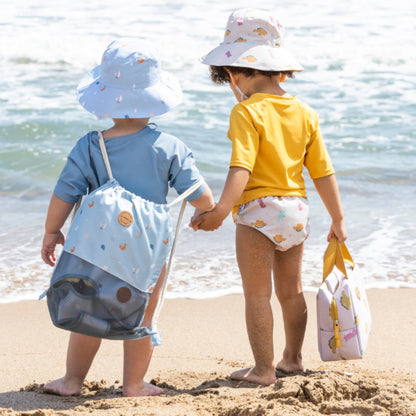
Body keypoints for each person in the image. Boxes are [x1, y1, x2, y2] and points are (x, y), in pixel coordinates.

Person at [41, 38, 215, 397]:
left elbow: (64, 193)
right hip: (146, 252)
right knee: (142, 316)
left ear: (105, 100)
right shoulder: (169, 147)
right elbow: (203, 197)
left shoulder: (91, 145)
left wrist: (51, 231)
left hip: (94, 251)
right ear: (154, 98)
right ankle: (134, 384)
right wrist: (202, 213)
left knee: (87, 312)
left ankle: (73, 381)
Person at [190, 9, 347, 386]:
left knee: (258, 295)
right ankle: (292, 358)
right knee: (291, 292)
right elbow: (322, 171)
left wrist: (218, 211)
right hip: (296, 210)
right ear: (280, 70)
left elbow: (240, 168)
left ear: (236, 72)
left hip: (258, 211)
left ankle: (263, 370)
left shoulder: (245, 111)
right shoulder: (305, 111)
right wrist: (338, 219)